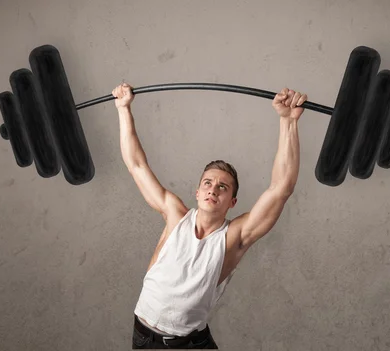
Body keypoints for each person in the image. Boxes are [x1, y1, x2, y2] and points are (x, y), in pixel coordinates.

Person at [112, 82, 307, 349]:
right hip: (145, 336)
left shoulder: (234, 238)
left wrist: (288, 122)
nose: (213, 189)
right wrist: (123, 109)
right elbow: (136, 165)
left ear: (232, 202)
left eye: (222, 187)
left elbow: (281, 188)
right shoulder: (174, 215)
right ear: (197, 191)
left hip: (189, 343)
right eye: (208, 183)